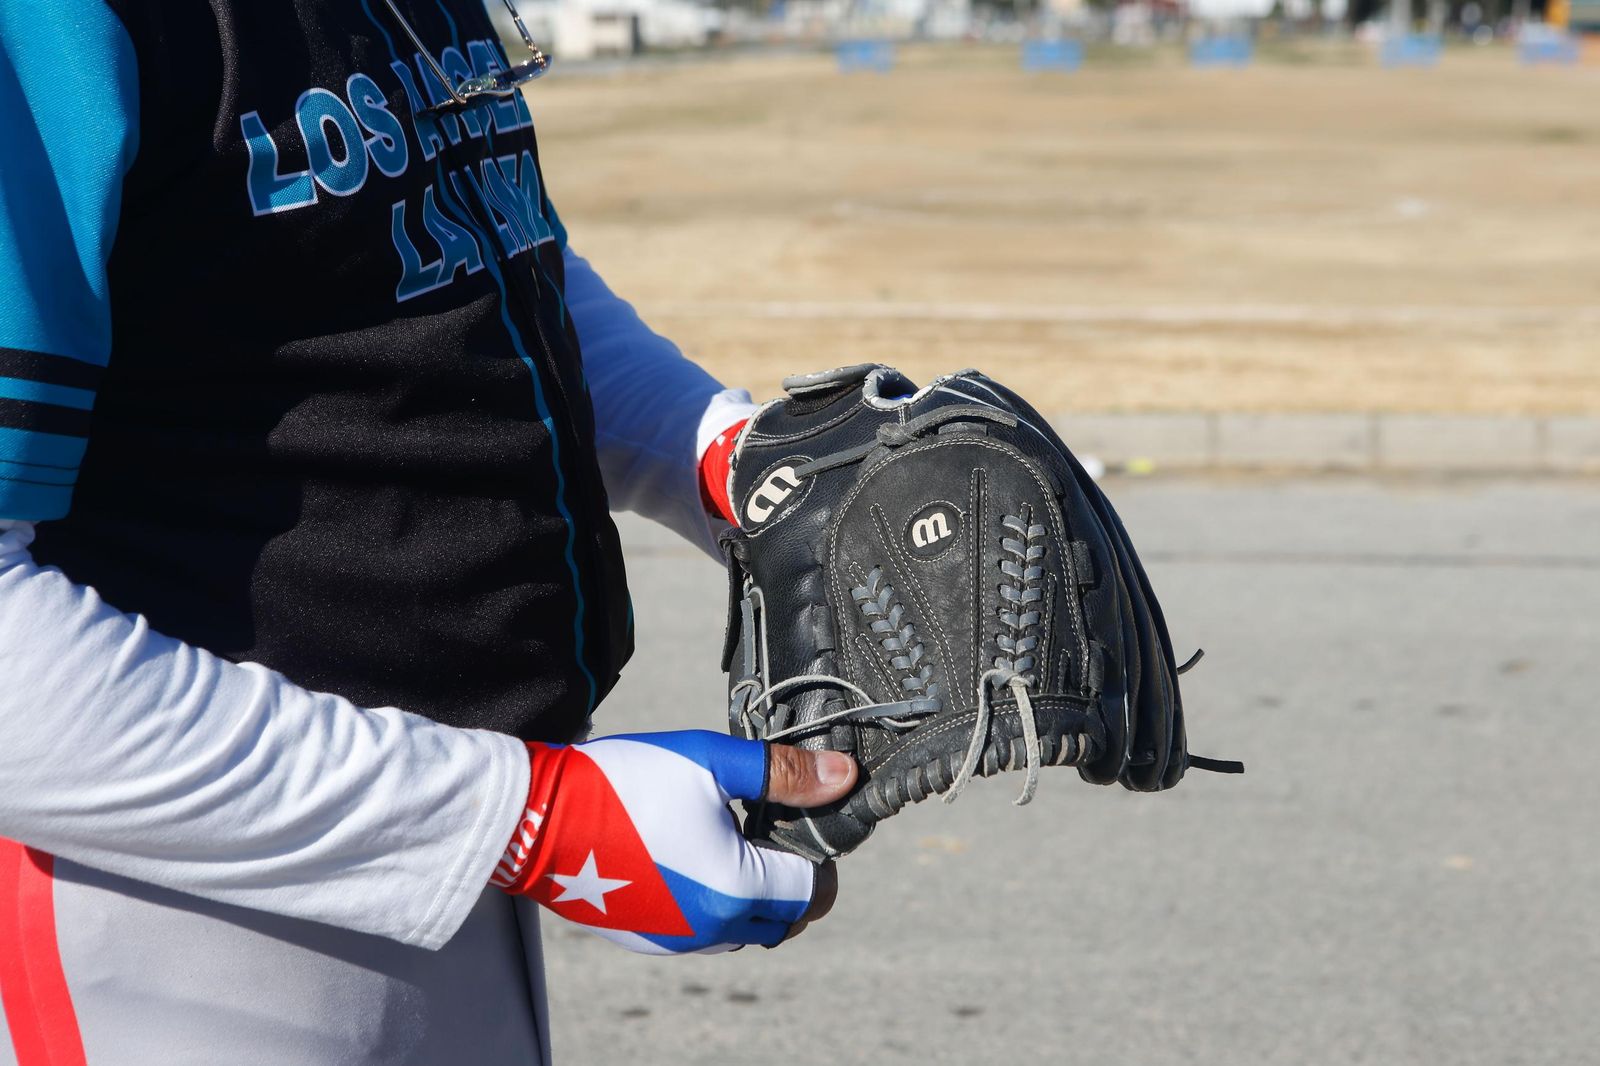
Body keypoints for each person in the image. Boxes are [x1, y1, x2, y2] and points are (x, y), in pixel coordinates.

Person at [0, 2, 855, 1062]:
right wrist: (531, 818)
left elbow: (457, 253)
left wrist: (736, 461)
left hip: (443, 838)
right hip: (166, 907)